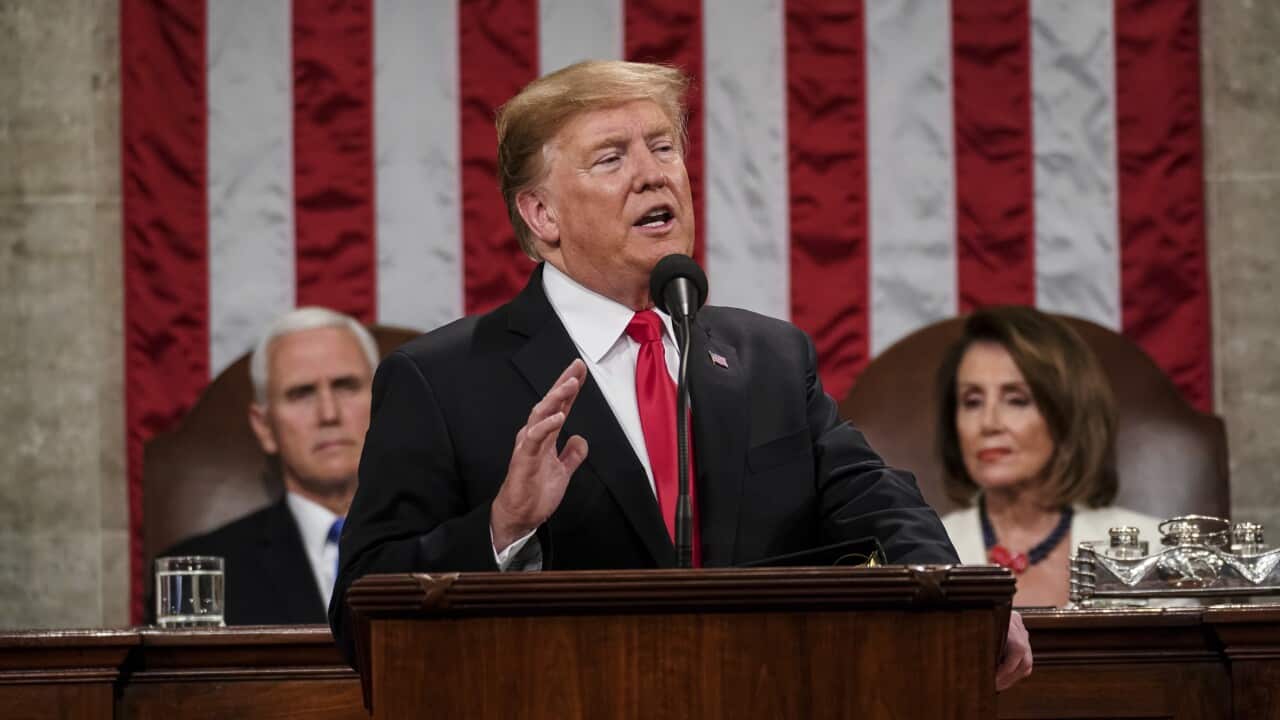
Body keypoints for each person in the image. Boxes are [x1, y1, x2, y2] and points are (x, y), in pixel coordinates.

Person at [330, 60, 1030, 688]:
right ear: (541, 214)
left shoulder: (771, 360)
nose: (653, 172)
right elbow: (361, 609)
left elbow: (882, 508)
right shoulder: (441, 380)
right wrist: (501, 528)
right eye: (610, 158)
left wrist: (972, 609)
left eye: (663, 147)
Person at [159, 307, 377, 624]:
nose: (329, 413)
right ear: (264, 427)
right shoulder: (200, 577)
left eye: (346, 386)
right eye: (301, 393)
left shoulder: (450, 547)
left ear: (383, 402)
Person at [936, 306, 1163, 607]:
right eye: (972, 401)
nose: (988, 423)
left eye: (1017, 400)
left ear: (1067, 414)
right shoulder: (921, 557)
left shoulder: (1156, 553)